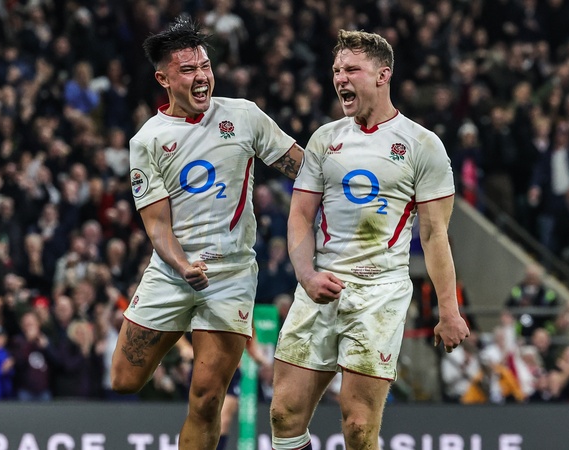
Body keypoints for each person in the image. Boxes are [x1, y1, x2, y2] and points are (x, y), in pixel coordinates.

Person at [269, 30, 470, 450]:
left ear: (383, 75)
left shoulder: (423, 145)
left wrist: (449, 310)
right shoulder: (324, 139)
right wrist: (306, 275)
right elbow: (300, 214)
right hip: (322, 284)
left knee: (359, 427)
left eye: (352, 69)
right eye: (336, 70)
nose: (340, 78)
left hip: (380, 292)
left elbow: (435, 235)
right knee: (283, 414)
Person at [109, 17, 303, 449]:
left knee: (208, 399)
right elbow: (157, 224)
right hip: (172, 272)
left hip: (231, 277)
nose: (201, 77)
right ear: (163, 79)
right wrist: (182, 266)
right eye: (188, 70)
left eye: (205, 66)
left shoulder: (243, 116)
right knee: (123, 379)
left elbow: (301, 167)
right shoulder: (148, 140)